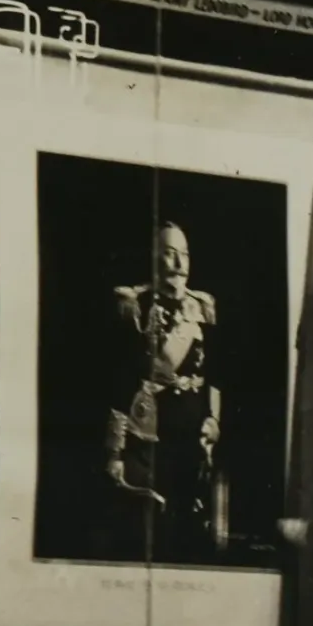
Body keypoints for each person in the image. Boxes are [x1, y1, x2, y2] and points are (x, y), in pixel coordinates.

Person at [104, 219, 224, 564]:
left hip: (191, 432)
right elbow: (122, 380)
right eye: (170, 253)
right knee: (145, 530)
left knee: (188, 528)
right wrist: (115, 451)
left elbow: (214, 375)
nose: (179, 263)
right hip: (149, 433)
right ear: (154, 257)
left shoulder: (202, 306)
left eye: (184, 254)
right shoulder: (135, 303)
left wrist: (214, 419)